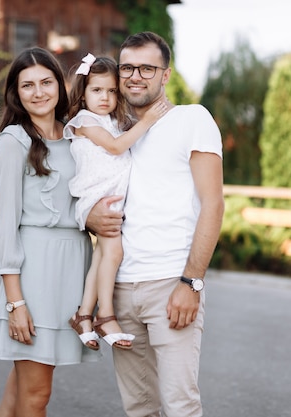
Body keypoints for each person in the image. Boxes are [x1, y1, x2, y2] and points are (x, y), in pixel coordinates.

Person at [86, 32, 225, 417]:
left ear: (165, 75)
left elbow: (213, 203)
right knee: (139, 408)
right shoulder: (114, 132)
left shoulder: (191, 119)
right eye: (128, 67)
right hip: (120, 289)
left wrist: (191, 281)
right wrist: (89, 217)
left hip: (170, 284)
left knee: (180, 405)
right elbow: (87, 191)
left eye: (147, 68)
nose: (135, 76)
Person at [0, 46, 100, 417]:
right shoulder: (14, 142)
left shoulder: (76, 134)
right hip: (34, 276)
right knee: (36, 396)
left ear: (60, 85)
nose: (38, 92)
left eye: (46, 82)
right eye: (27, 85)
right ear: (15, 94)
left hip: (72, 271)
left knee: (19, 395)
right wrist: (15, 303)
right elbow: (4, 228)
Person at [63, 53, 167, 351]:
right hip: (96, 199)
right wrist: (147, 120)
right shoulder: (84, 121)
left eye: (111, 91)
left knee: (102, 256)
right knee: (114, 253)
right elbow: (116, 146)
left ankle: (83, 315)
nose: (105, 97)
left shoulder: (112, 121)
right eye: (97, 90)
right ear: (83, 93)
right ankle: (105, 316)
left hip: (108, 199)